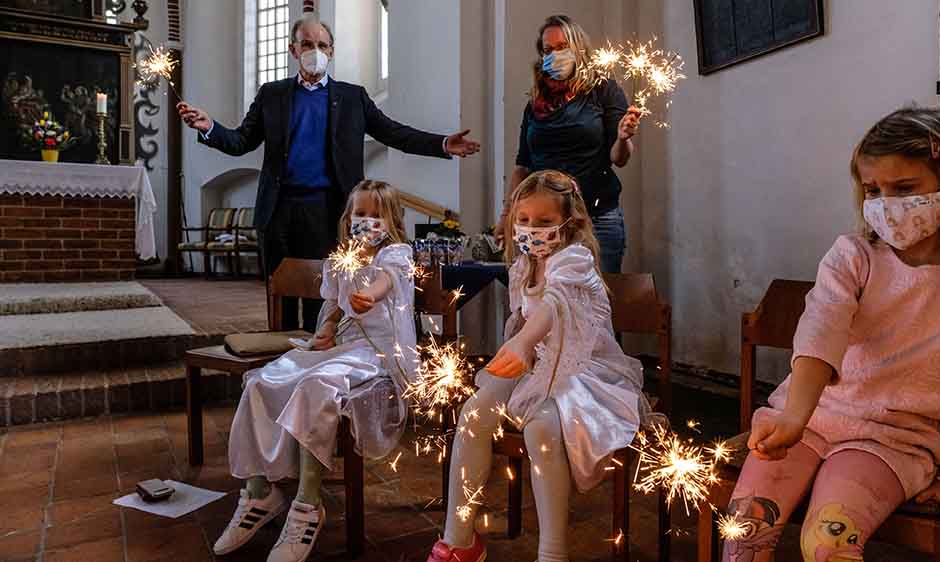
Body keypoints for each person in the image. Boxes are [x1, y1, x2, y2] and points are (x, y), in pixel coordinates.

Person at [723, 107, 940, 562]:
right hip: (809, 418)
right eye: (874, 190)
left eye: (904, 189)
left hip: (891, 441)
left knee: (828, 546)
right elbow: (821, 329)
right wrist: (794, 418)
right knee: (743, 539)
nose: (886, 204)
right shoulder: (853, 254)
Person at [178, 16, 479, 331]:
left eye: (322, 45)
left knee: (320, 298)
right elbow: (241, 141)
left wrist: (442, 144)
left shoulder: (353, 97)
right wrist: (210, 127)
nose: (315, 51)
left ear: (331, 51)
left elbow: (394, 133)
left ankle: (315, 358)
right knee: (279, 296)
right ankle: (281, 367)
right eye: (307, 44)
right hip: (277, 209)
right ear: (293, 50)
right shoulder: (272, 94)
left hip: (327, 209)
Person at [426, 170, 655, 562]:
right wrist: (521, 348)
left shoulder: (575, 259)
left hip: (586, 371)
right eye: (524, 221)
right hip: (537, 364)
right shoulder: (522, 268)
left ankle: (552, 553)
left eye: (545, 222)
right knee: (474, 413)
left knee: (542, 428)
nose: (533, 230)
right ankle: (459, 541)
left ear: (572, 222)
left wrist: (523, 342)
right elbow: (525, 320)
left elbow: (556, 304)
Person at [214, 180, 419, 562]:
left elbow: (383, 283)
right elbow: (334, 307)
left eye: (377, 215)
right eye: (361, 214)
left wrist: (369, 295)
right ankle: (260, 494)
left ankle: (308, 505)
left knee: (316, 385)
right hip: (340, 346)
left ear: (392, 221)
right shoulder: (343, 257)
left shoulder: (397, 255)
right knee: (262, 380)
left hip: (376, 353)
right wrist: (325, 329)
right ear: (348, 217)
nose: (368, 222)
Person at [496, 15, 642, 274]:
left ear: (578, 48)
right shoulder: (535, 103)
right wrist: (507, 215)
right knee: (544, 296)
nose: (554, 54)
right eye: (547, 50)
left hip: (596, 217)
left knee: (596, 298)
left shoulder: (603, 90)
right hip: (545, 222)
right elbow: (523, 166)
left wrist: (622, 138)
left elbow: (619, 158)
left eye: (562, 47)